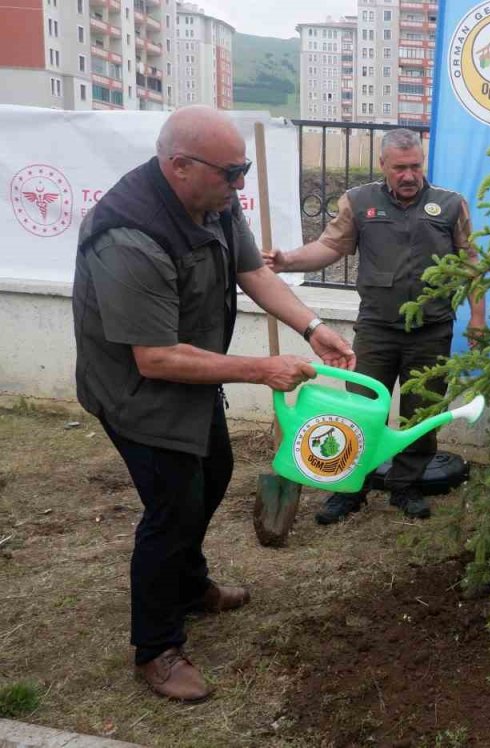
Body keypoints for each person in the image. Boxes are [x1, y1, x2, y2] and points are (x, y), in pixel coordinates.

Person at [73, 106, 357, 702]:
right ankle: (156, 647)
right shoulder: (130, 233)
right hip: (137, 393)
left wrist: (312, 328)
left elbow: (253, 272)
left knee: (215, 472)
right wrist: (261, 368)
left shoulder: (215, 203)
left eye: (245, 169)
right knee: (173, 508)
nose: (240, 184)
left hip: (192, 378)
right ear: (180, 166)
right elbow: (152, 358)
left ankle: (189, 583)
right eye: (232, 172)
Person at [264, 129, 485, 523]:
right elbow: (330, 246)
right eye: (400, 167)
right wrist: (286, 261)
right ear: (383, 165)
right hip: (376, 330)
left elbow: (471, 260)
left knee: (421, 412)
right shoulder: (359, 201)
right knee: (361, 411)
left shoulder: (450, 205)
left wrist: (479, 318)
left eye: (415, 166)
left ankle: (405, 486)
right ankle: (350, 488)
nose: (409, 175)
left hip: (432, 329)